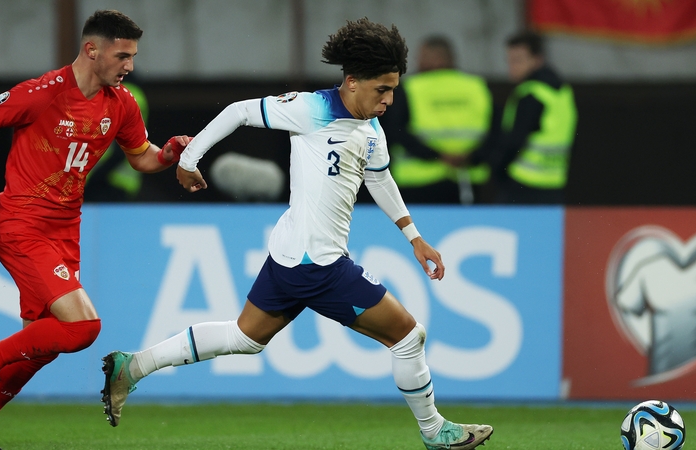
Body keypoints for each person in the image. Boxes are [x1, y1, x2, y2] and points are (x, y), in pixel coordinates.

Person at [101, 18, 493, 450]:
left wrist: (414, 238)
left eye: (393, 89)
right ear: (352, 82)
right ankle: (435, 432)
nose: (389, 99)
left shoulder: (371, 129)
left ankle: (132, 367)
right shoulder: (310, 108)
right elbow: (238, 112)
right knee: (407, 336)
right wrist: (189, 159)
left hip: (291, 255)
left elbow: (379, 179)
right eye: (382, 89)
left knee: (244, 338)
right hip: (317, 264)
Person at [0, 10, 189, 450]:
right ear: (91, 50)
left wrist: (171, 153)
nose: (130, 66)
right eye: (122, 56)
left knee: (41, 346)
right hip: (21, 225)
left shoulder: (122, 104)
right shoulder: (43, 93)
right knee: (84, 327)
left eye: (133, 57)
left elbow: (142, 156)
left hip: (65, 232)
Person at [384, 35, 492, 204]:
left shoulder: (411, 87)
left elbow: (395, 131)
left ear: (434, 58)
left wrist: (437, 156)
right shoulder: (476, 86)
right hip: (466, 178)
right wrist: (471, 157)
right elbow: (494, 131)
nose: (417, 61)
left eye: (421, 56)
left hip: (417, 180)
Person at [474, 31, 577, 204]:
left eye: (518, 60)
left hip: (523, 182)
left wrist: (498, 170)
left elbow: (514, 140)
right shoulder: (562, 91)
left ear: (537, 60)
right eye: (509, 61)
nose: (512, 67)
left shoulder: (531, 93)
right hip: (554, 181)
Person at [84, 79, 148, 201]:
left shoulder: (122, 94)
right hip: (111, 180)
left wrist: (95, 178)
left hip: (110, 181)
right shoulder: (121, 92)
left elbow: (123, 147)